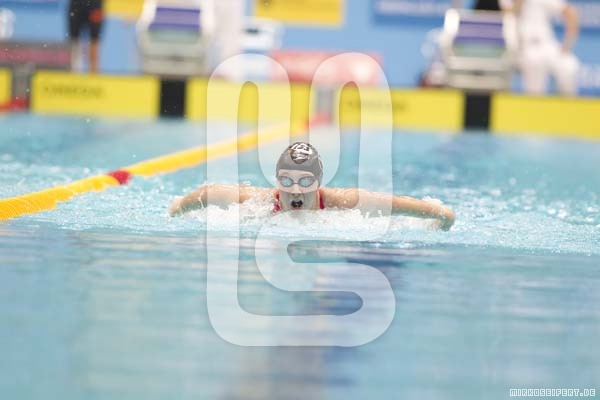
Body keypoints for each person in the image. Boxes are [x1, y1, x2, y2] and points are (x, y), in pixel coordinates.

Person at [169, 142, 456, 231]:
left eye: (305, 181)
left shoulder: (344, 202)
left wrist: (442, 217)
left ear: (319, 183)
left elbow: (401, 205)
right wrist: (178, 208)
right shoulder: (258, 201)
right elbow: (207, 194)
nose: (295, 190)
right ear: (276, 180)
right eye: (286, 180)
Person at [500, 0, 580, 95]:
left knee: (568, 66)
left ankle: (568, 102)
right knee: (534, 75)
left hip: (548, 45)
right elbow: (509, 13)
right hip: (524, 47)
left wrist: (567, 44)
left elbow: (569, 12)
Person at [68, 0, 104, 73]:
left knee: (94, 42)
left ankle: (94, 76)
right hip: (76, 5)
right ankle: (74, 75)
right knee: (74, 43)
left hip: (94, 5)